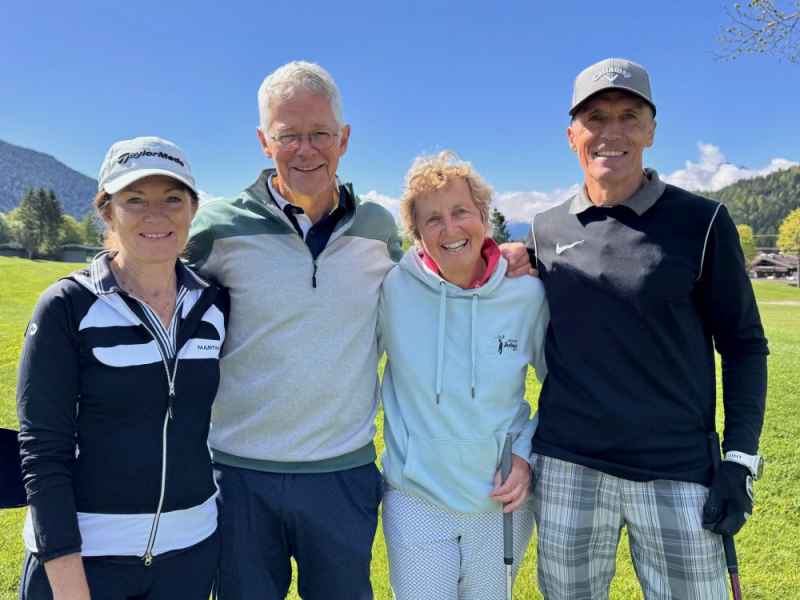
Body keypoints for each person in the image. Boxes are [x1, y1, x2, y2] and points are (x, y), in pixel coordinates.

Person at [504, 58, 769, 599]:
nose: (613, 132)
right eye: (596, 118)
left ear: (651, 130)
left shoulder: (703, 222)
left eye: (629, 116)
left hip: (677, 471)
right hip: (568, 465)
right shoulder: (546, 228)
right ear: (572, 135)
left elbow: (743, 345)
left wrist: (740, 459)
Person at [184, 61, 402, 600]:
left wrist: (507, 258)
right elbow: (150, 280)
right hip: (239, 475)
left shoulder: (378, 228)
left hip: (342, 472)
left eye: (320, 134)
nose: (306, 150)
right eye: (288, 136)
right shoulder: (216, 227)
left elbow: (435, 283)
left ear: (343, 138)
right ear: (264, 141)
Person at [17, 137, 230, 600]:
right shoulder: (67, 306)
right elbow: (42, 452)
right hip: (85, 564)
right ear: (107, 211)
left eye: (172, 199)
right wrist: (69, 585)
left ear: (193, 209)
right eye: (134, 199)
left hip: (189, 557)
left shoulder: (214, 304)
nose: (156, 215)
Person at [379, 151, 548, 599]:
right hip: (415, 498)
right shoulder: (391, 289)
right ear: (417, 234)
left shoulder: (526, 294)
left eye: (461, 212)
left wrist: (525, 454)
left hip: (500, 500)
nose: (450, 229)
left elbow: (562, 386)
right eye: (433, 219)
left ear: (484, 217)